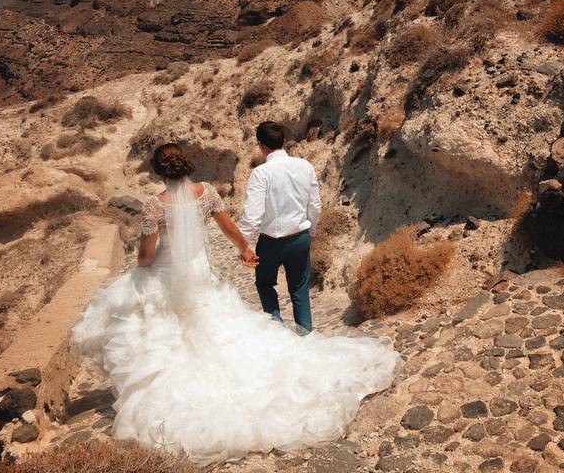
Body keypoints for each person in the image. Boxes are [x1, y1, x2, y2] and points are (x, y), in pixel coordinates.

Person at [71, 142, 398, 465]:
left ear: (158, 170)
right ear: (187, 165)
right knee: (215, 322)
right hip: (198, 272)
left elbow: (143, 258)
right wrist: (245, 250)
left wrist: (149, 263)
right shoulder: (207, 192)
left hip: (167, 275)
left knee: (155, 327)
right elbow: (228, 227)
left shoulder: (154, 206)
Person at [238, 121, 320, 331]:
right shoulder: (305, 166)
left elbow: (252, 217)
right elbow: (314, 205)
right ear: (284, 141)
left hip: (271, 243)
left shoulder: (261, 174)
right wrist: (311, 230)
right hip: (301, 237)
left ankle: (278, 332)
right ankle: (306, 336)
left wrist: (241, 245)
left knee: (265, 285)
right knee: (300, 289)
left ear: (260, 144)